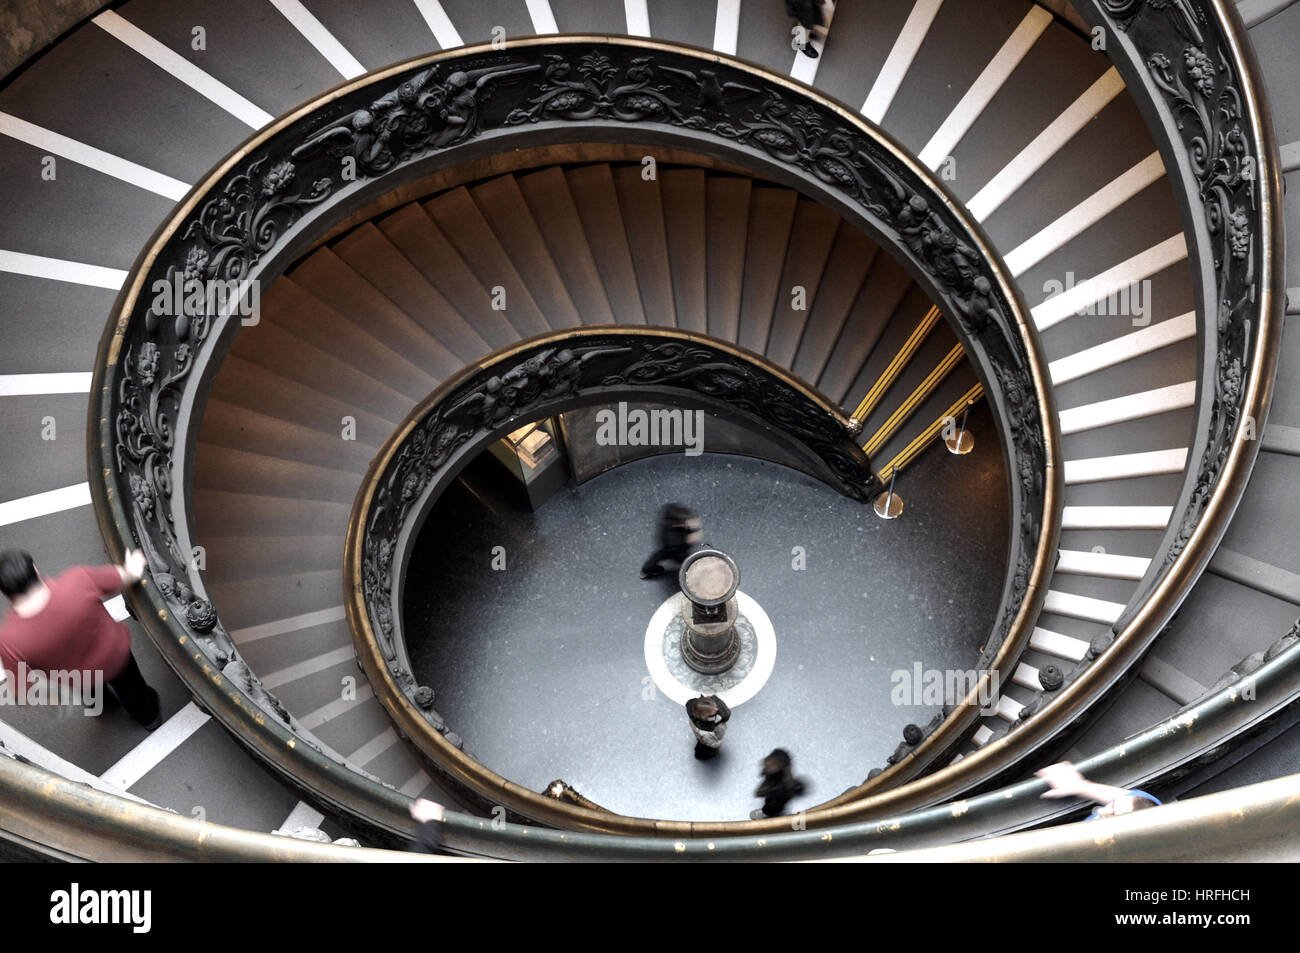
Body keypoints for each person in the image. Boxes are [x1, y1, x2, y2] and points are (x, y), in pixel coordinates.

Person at [0, 549, 162, 729]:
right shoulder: (77, 580)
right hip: (115, 658)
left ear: (5, 591)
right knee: (134, 692)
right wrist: (133, 567)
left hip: (76, 678)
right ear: (34, 569)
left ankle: (103, 706)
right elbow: (124, 576)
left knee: (90, 693)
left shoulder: (9, 640)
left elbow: (23, 692)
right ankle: (149, 717)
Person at [1035, 761, 1162, 819]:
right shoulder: (1149, 808)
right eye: (1112, 805)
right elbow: (1130, 797)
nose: (1102, 811)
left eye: (1112, 815)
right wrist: (1078, 785)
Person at [639, 503, 704, 579]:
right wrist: (689, 537)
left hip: (671, 548)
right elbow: (686, 541)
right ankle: (694, 570)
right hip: (675, 550)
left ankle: (645, 570)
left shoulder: (672, 523)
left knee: (659, 556)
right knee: (685, 560)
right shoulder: (674, 537)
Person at [751, 748, 806, 819]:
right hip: (770, 810)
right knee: (772, 804)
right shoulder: (770, 780)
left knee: (778, 800)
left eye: (775, 763)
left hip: (781, 810)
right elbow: (759, 792)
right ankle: (766, 814)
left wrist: (791, 784)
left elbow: (799, 789)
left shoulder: (786, 778)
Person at [686, 694, 731, 760]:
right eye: (712, 712)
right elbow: (714, 743)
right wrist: (718, 743)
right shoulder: (705, 733)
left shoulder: (695, 714)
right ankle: (705, 754)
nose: (716, 709)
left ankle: (701, 743)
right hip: (709, 738)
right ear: (704, 716)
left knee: (702, 741)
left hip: (703, 735)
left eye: (715, 705)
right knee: (707, 747)